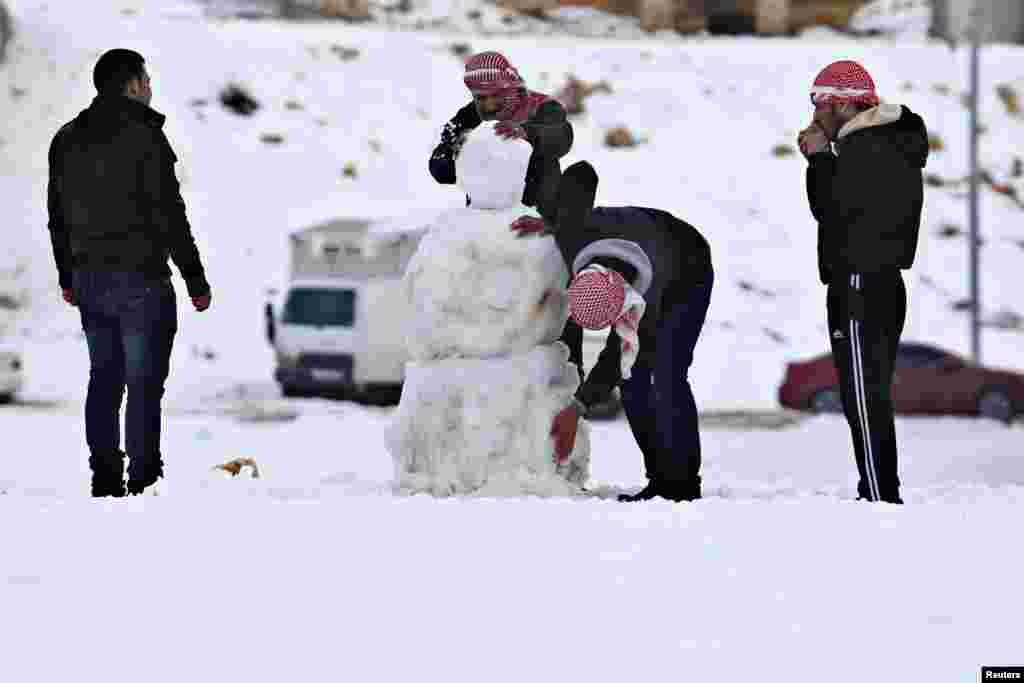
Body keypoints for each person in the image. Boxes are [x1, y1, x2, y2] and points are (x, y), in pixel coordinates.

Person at [47, 49, 212, 497]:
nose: (151, 87)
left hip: (91, 283)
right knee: (142, 386)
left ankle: (104, 476)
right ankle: (142, 480)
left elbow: (56, 218)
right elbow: (169, 216)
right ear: (133, 85)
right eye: (147, 79)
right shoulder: (145, 137)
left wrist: (68, 277)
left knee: (103, 380)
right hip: (141, 281)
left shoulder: (65, 139)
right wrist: (195, 280)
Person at [512, 161, 714, 503]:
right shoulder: (573, 234)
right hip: (638, 240)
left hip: (687, 266)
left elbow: (618, 354)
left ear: (625, 305)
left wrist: (577, 407)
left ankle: (680, 485)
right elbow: (582, 172)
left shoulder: (647, 296)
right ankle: (659, 477)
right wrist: (554, 222)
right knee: (632, 383)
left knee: (666, 375)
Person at [798, 60, 928, 504]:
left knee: (863, 395)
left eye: (820, 104)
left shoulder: (868, 147)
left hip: (860, 280)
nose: (814, 115)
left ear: (843, 104)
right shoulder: (884, 143)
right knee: (865, 394)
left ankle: (878, 494)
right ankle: (877, 489)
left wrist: (818, 158)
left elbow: (834, 210)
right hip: (876, 279)